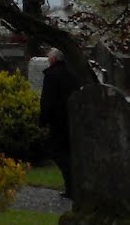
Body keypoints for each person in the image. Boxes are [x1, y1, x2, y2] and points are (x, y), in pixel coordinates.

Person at [40, 47, 78, 197]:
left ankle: (71, 186)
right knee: (67, 152)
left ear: (55, 59)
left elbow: (47, 101)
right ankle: (72, 187)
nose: (48, 59)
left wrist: (43, 122)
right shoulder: (71, 73)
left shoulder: (51, 75)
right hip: (71, 119)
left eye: (49, 57)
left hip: (57, 120)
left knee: (57, 152)